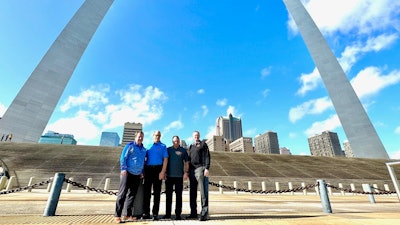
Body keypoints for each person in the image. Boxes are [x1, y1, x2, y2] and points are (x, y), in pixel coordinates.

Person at [114, 131, 146, 224]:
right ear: (135, 137)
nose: (140, 138)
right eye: (139, 136)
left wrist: (142, 172)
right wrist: (123, 168)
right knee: (122, 194)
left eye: (142, 137)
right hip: (127, 173)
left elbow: (143, 162)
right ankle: (117, 215)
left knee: (132, 195)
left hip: (137, 174)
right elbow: (123, 157)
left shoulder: (143, 149)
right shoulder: (130, 146)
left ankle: (127, 215)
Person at [142, 130, 168, 220]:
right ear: (153, 135)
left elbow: (165, 160)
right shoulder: (148, 145)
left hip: (158, 170)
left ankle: (155, 213)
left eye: (159, 135)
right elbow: (144, 158)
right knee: (147, 192)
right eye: (156, 135)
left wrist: (163, 172)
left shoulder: (163, 146)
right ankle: (146, 213)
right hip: (148, 169)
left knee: (157, 193)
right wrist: (142, 171)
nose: (157, 137)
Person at [163, 135, 189, 220]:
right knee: (168, 196)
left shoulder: (183, 150)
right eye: (174, 141)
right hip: (169, 176)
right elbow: (165, 161)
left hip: (179, 177)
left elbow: (187, 162)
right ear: (172, 142)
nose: (176, 142)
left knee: (179, 196)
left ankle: (178, 214)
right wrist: (164, 172)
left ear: (179, 141)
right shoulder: (168, 150)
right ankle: (167, 214)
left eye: (177, 141)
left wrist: (186, 172)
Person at [187, 130, 211, 221]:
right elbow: (189, 159)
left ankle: (204, 213)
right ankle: (193, 213)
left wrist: (207, 168)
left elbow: (207, 156)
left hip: (200, 168)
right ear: (193, 136)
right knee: (192, 192)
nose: (196, 136)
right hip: (192, 171)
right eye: (195, 135)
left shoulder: (203, 144)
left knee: (203, 192)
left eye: (197, 135)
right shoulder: (191, 146)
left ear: (199, 136)